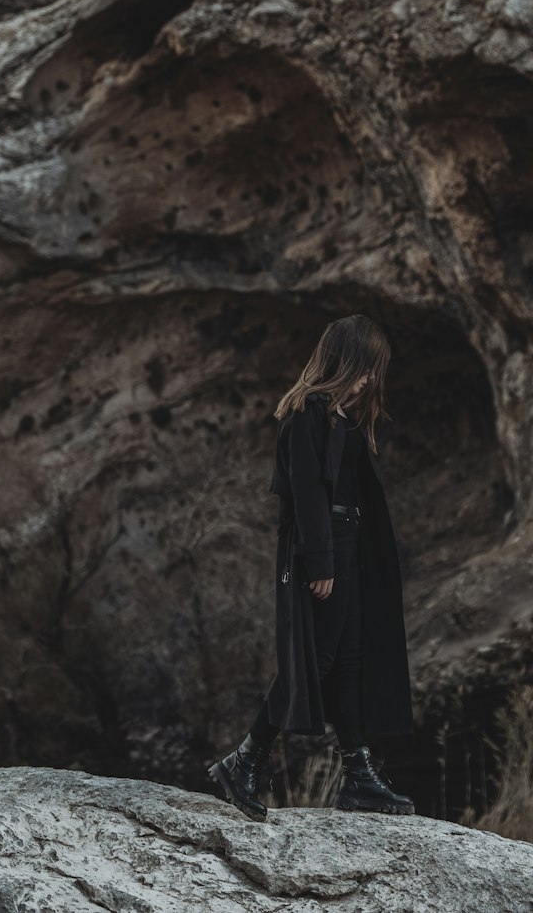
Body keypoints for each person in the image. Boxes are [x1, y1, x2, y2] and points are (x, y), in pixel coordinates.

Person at [208, 313, 415, 817]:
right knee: (316, 659)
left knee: (347, 659)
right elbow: (306, 495)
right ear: (345, 361)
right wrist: (320, 561)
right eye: (366, 368)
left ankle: (358, 777)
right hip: (321, 548)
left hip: (349, 544)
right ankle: (244, 761)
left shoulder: (339, 418)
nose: (370, 379)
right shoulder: (307, 413)